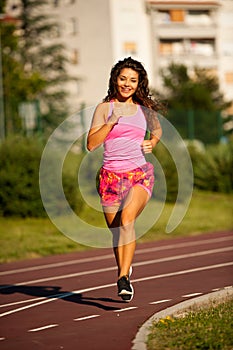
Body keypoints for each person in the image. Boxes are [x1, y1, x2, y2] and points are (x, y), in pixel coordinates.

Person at [87, 57, 163, 302]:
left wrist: (152, 142)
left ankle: (123, 278)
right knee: (117, 232)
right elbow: (91, 145)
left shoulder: (144, 109)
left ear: (139, 83)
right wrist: (110, 123)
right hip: (110, 178)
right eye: (123, 79)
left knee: (127, 220)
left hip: (138, 174)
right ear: (115, 80)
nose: (127, 84)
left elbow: (157, 129)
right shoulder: (103, 108)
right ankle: (125, 267)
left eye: (132, 80)